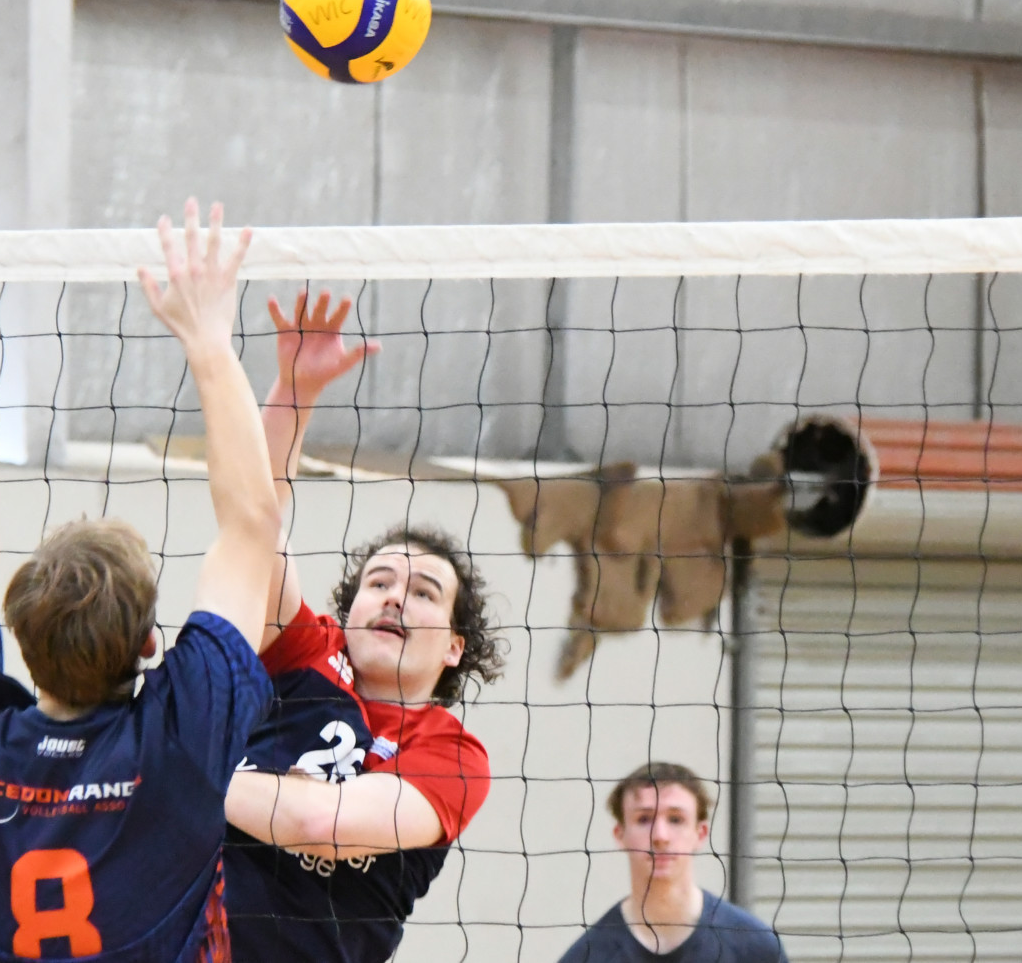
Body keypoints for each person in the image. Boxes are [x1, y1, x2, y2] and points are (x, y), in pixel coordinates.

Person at [0, 200, 277, 963]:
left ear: (23, 643)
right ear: (148, 643)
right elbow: (253, 526)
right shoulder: (180, 736)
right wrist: (208, 341)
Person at [222, 289, 505, 961]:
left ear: (456, 647)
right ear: (348, 607)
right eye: (378, 582)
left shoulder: (454, 755)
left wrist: (173, 762)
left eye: (424, 591)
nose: (395, 598)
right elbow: (253, 523)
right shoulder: (306, 649)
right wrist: (293, 390)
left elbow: (321, 823)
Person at [558, 763, 785, 963]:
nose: (661, 835)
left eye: (676, 819)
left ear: (701, 833)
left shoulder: (755, 947)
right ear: (620, 834)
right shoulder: (587, 956)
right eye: (644, 819)